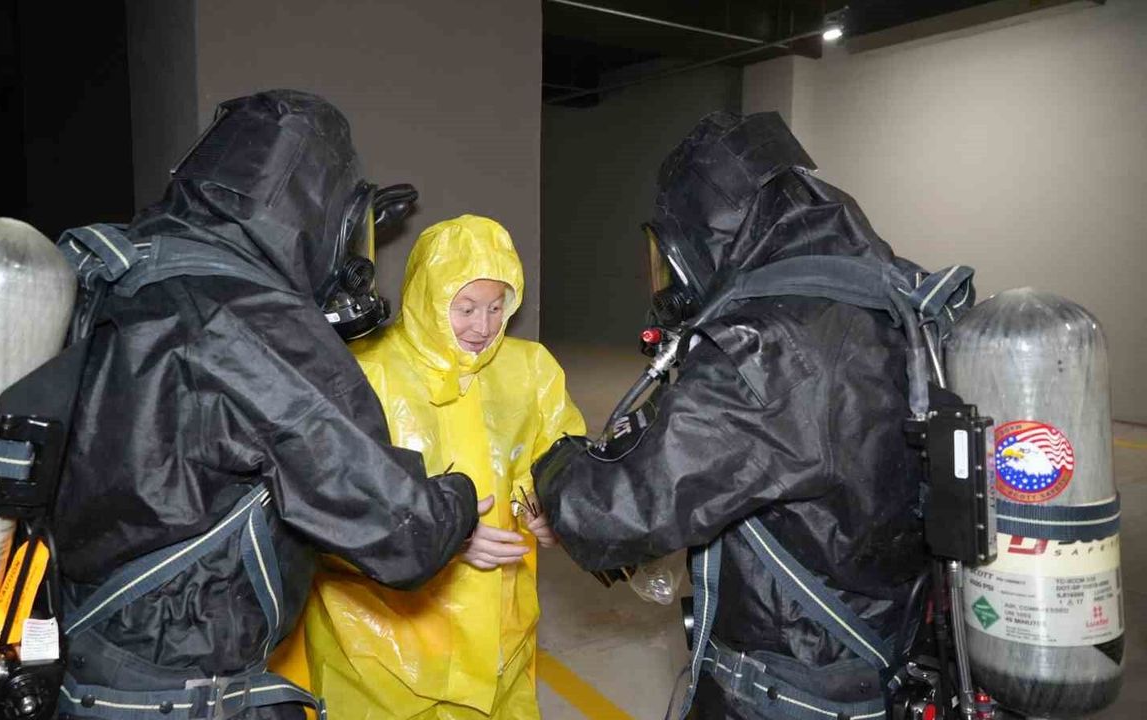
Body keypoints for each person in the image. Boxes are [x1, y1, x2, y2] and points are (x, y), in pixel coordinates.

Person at [51, 90, 479, 718]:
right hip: (185, 691)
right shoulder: (252, 320)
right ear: (315, 213)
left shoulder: (123, 269)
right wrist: (461, 498)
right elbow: (401, 530)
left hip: (86, 656)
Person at [533, 112, 950, 720]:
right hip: (887, 645)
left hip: (791, 677)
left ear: (707, 237)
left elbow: (617, 513)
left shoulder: (766, 347)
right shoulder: (890, 299)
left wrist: (554, 470)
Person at [279, 214, 585, 719]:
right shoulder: (363, 372)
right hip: (380, 646)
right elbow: (327, 509)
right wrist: (446, 539)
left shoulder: (528, 369)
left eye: (496, 307)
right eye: (465, 308)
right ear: (428, 298)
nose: (483, 327)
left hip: (500, 634)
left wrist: (545, 507)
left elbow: (550, 454)